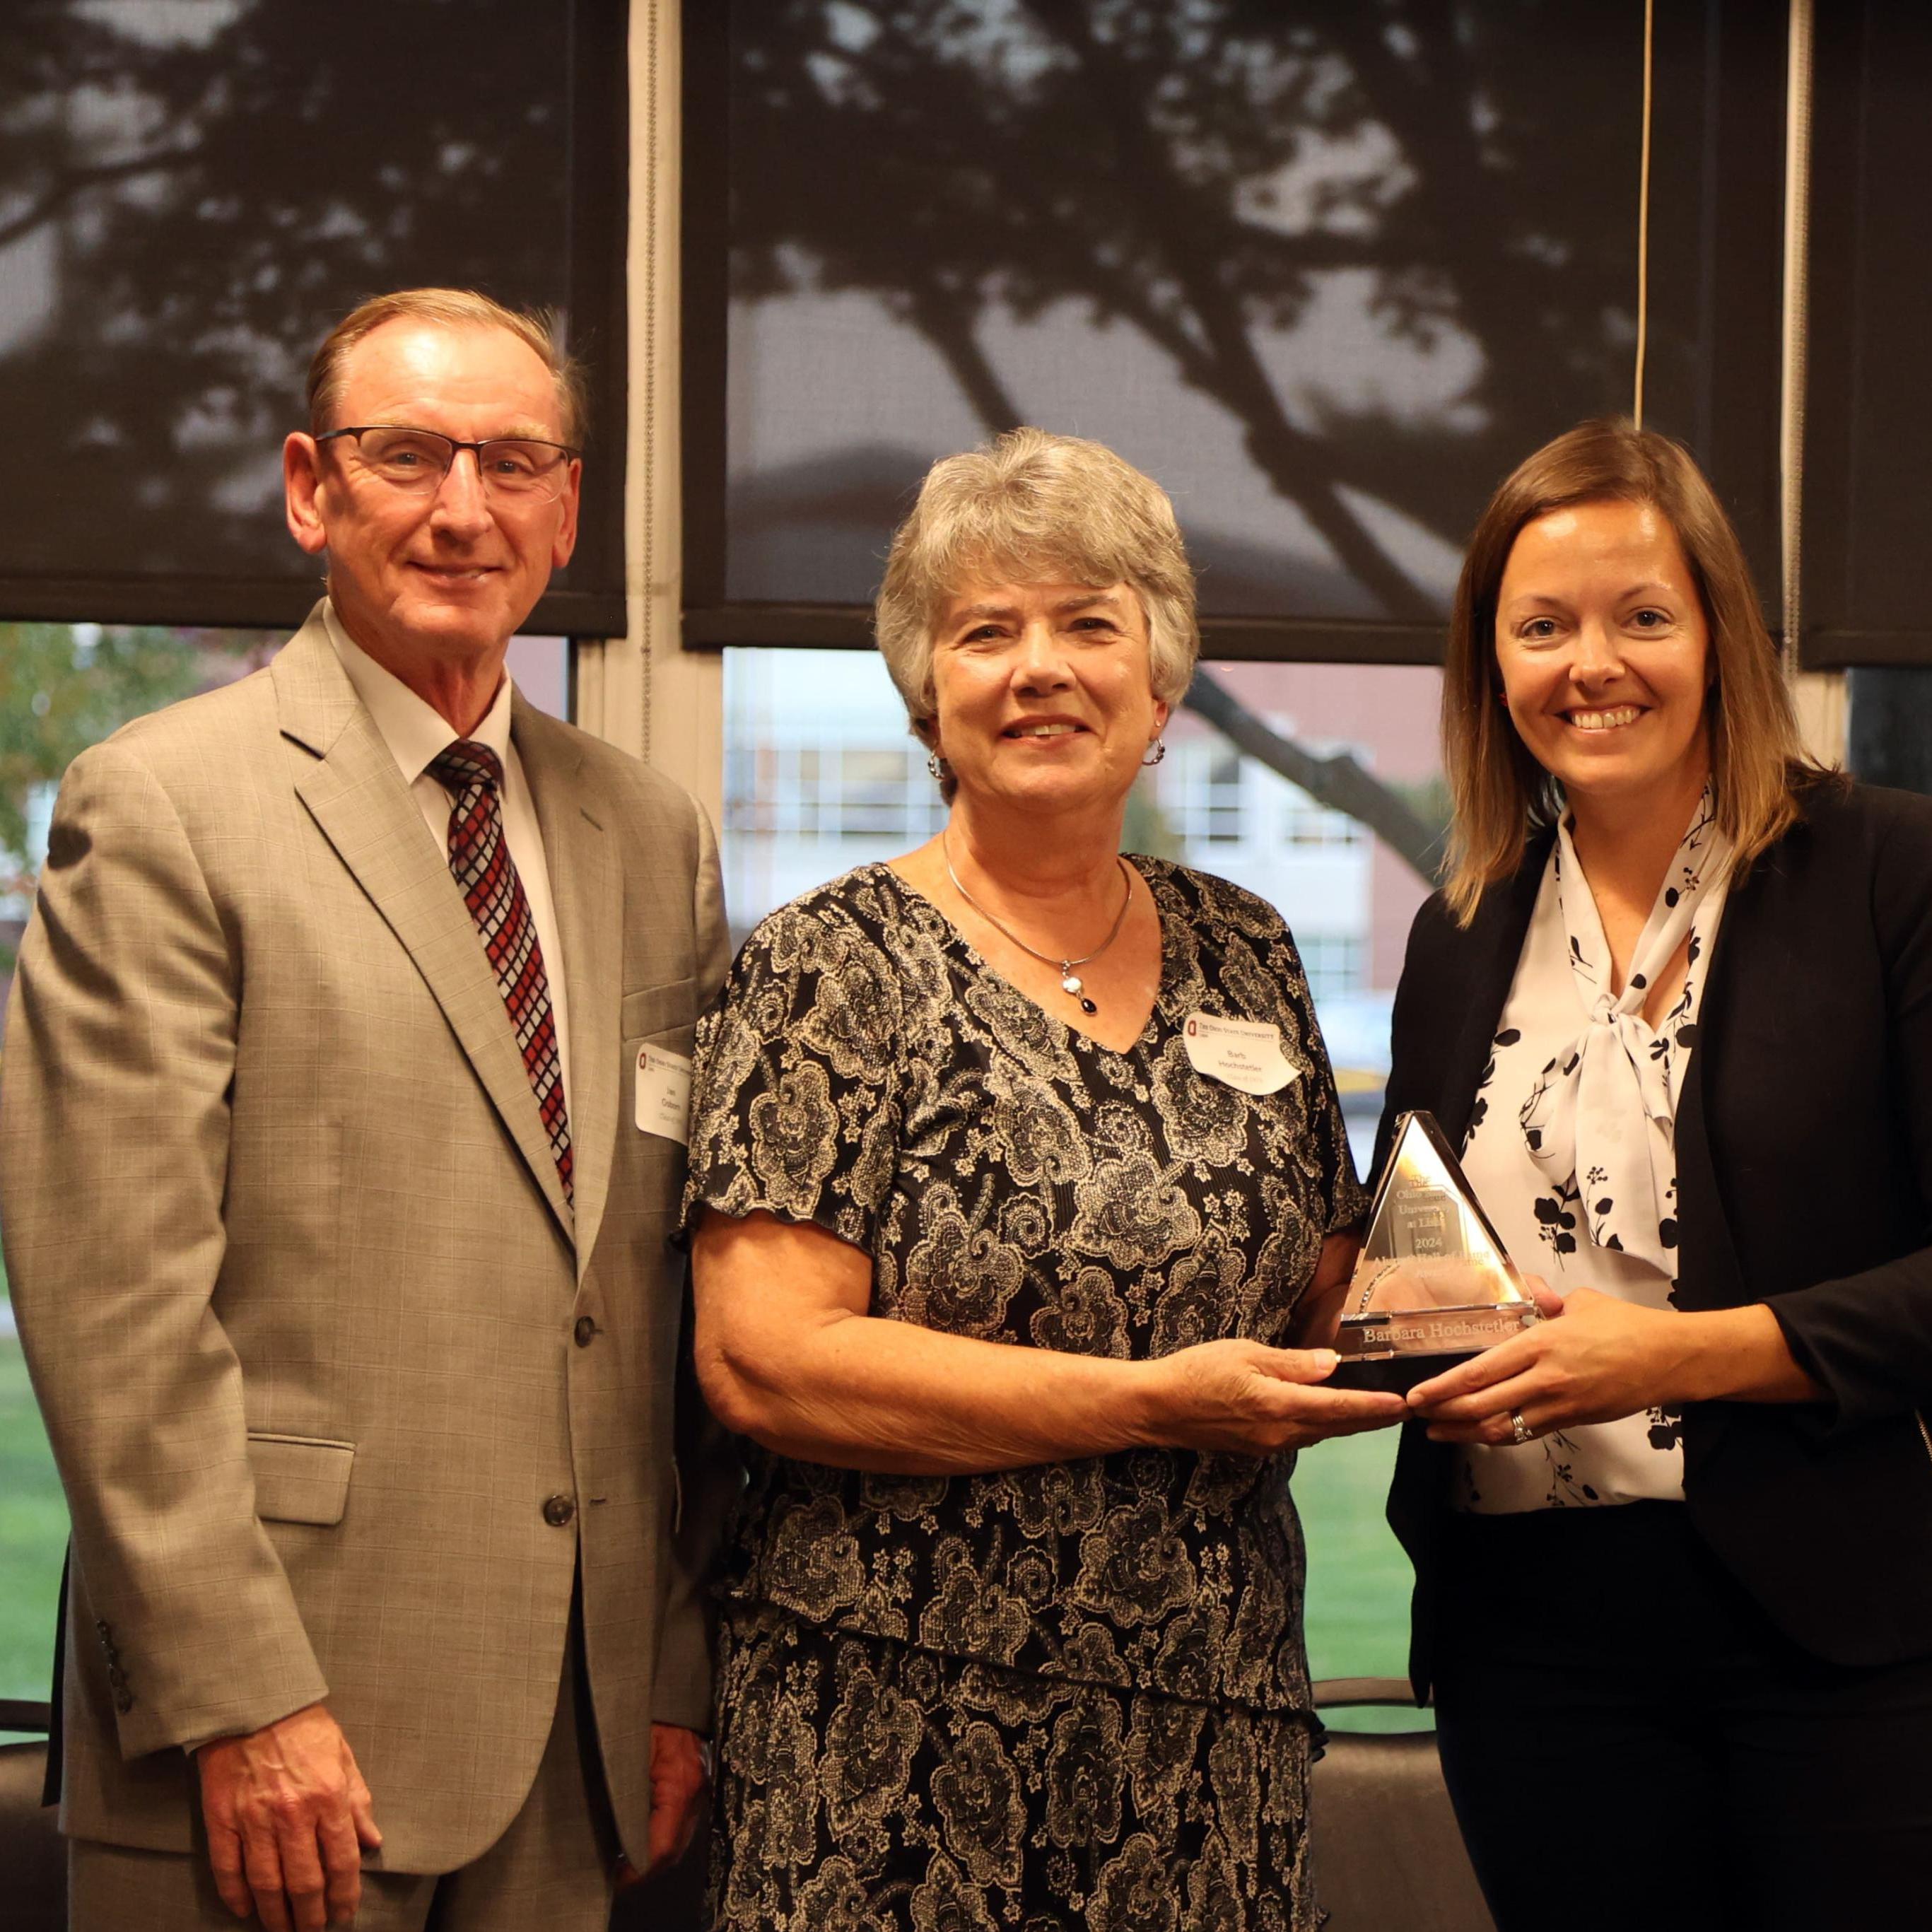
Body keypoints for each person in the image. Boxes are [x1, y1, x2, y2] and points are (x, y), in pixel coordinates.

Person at [0, 288, 734, 1931]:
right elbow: (112, 1302)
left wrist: (666, 1660)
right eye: (407, 453)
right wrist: (239, 1695)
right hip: (265, 1735)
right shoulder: (167, 803)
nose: (462, 505)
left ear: (565, 506)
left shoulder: (648, 830)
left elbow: (658, 1280)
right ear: (309, 488)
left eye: (511, 459)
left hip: (575, 1736)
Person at [682, 426, 1407, 1931]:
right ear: (926, 694)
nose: (1040, 668)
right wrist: (1149, 1400)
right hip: (886, 1733)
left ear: (1159, 688)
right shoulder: (830, 966)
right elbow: (764, 1360)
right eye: (986, 630)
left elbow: (1326, 1283)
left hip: (1213, 1731)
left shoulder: (1250, 949)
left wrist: (1455, 1304)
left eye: (1088, 623)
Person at [1381, 418, 1932, 1931]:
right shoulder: (1460, 926)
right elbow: (1414, 1250)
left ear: (1718, 637)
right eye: (1539, 624)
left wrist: (1676, 1356)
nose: (1589, 662)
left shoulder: (1889, 871)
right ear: (1489, 662)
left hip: (1827, 1629)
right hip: (1525, 1636)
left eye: (1641, 615)